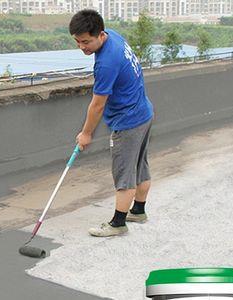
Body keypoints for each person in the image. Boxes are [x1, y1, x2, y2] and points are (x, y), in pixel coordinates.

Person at [69, 9, 154, 237]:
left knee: (124, 173)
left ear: (99, 35)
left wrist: (86, 133)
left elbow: (97, 105)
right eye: (77, 42)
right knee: (139, 165)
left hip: (128, 121)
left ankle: (118, 224)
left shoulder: (106, 63)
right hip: (144, 111)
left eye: (86, 41)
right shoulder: (113, 36)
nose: (81, 47)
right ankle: (138, 210)